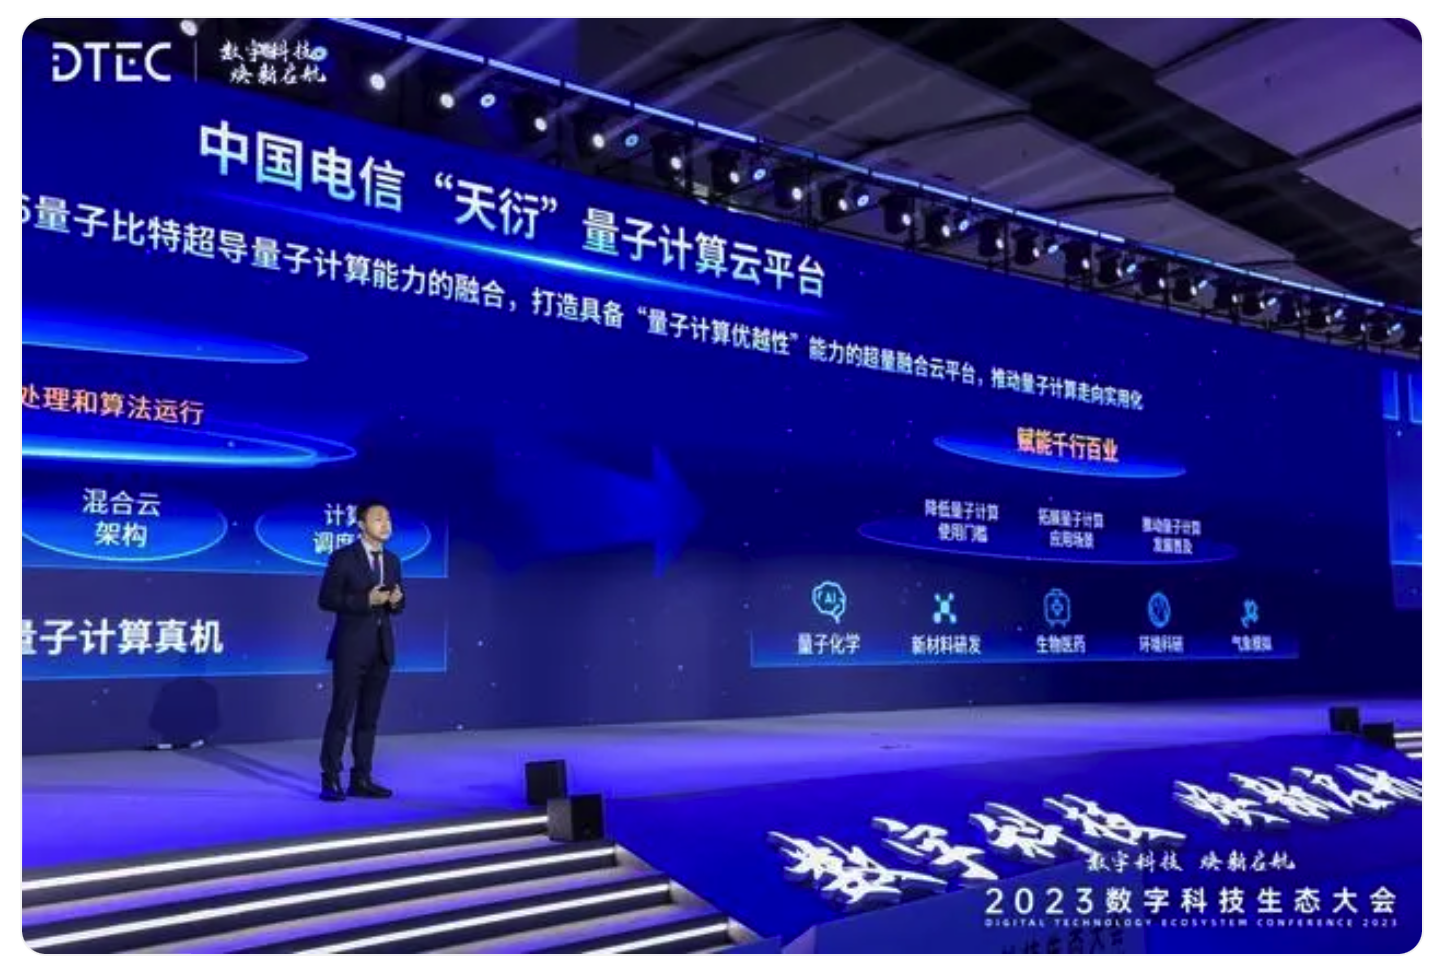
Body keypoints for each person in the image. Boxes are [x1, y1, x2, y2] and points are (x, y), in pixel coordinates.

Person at [317, 500, 405, 802]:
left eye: (388, 518)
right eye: (378, 518)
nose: (386, 524)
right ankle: (330, 777)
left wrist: (396, 601)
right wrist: (365, 600)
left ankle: (361, 777)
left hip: (381, 648)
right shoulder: (343, 558)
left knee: (369, 717)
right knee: (341, 714)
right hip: (350, 649)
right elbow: (326, 599)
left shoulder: (392, 561)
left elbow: (399, 604)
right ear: (361, 525)